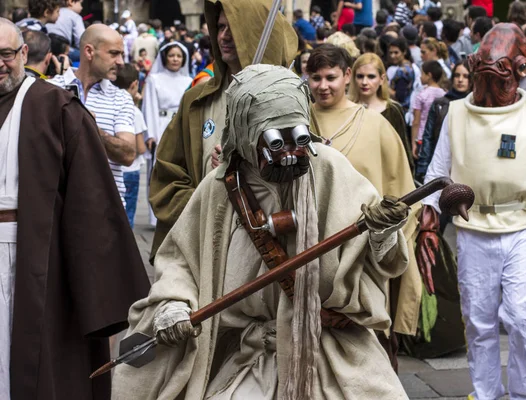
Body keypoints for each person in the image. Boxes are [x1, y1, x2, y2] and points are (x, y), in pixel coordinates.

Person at [112, 63, 411, 399]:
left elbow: (385, 261)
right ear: (244, 133)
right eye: (273, 141)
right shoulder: (219, 188)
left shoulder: (328, 168)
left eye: (295, 137)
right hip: (252, 355)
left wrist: (383, 233)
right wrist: (174, 306)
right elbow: (182, 260)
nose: (288, 155)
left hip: (333, 352)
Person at [418, 24, 526, 400]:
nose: (489, 84)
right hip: (474, 230)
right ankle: (485, 392)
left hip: (521, 227)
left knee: (521, 317)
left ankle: (524, 394)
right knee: (478, 320)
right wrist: (428, 224)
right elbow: (437, 175)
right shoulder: (455, 113)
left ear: (520, 70)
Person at [0, 17, 150, 400]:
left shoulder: (54, 106)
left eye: (5, 55)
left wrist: (99, 286)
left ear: (23, 55)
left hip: (30, 252)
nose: (0, 64)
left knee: (28, 355)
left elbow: (91, 202)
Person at [148, 0, 298, 259]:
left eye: (233, 29)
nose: (223, 37)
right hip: (206, 242)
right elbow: (167, 174)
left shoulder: (290, 103)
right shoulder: (196, 100)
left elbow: (306, 179)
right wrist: (205, 204)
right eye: (219, 27)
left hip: (267, 247)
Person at [308, 44, 423, 350]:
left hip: (362, 250)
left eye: (330, 77)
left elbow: (401, 190)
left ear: (346, 76)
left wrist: (388, 236)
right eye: (315, 77)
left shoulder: (375, 123)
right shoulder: (299, 122)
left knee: (366, 340)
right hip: (309, 249)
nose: (322, 86)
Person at [49, 24, 137, 205]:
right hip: (57, 204)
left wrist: (91, 127)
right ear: (89, 52)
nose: (120, 61)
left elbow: (128, 155)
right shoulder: (52, 90)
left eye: (121, 54)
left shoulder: (120, 98)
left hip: (105, 206)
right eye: (114, 53)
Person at [143, 42, 192, 226]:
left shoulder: (188, 81)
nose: (175, 59)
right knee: (159, 170)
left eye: (179, 56)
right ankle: (156, 215)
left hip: (180, 124)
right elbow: (149, 107)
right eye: (172, 55)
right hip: (161, 125)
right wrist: (151, 135)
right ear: (165, 57)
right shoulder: (154, 79)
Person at [349, 52, 414, 173]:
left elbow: (403, 153)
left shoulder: (392, 110)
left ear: (381, 79)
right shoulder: (347, 108)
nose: (364, 82)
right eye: (360, 76)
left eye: (371, 76)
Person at [416, 60, 472, 182]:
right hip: (440, 162)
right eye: (457, 75)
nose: (460, 80)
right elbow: (428, 136)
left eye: (465, 76)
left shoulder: (475, 106)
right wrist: (423, 168)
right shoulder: (440, 103)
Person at [115, 64, 148, 228]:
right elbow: (140, 147)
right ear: (135, 84)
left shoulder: (113, 103)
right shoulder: (134, 111)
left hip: (115, 169)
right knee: (128, 212)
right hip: (131, 170)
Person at [412, 60, 446, 158]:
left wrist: (414, 143)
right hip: (438, 138)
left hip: (421, 138)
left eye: (422, 73)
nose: (420, 76)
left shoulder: (421, 96)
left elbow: (416, 122)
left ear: (429, 75)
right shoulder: (443, 94)